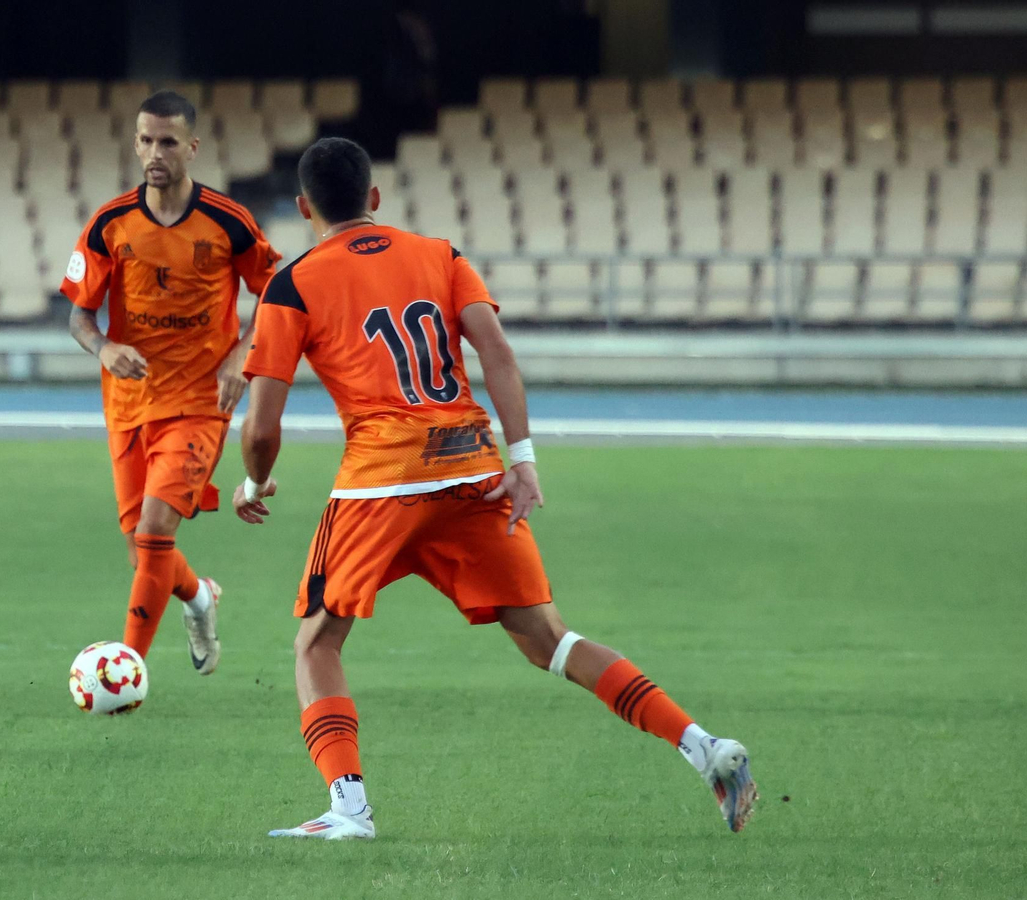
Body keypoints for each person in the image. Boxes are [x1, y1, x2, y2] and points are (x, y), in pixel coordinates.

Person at [233, 138, 756, 840]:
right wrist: (524, 459)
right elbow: (497, 353)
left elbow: (263, 423)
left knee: (317, 643)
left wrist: (255, 479)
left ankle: (349, 811)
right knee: (549, 638)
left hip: (382, 481)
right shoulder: (440, 255)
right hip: (472, 465)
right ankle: (705, 748)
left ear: (303, 208)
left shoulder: (292, 283)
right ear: (376, 198)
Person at [61, 91, 281, 675]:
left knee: (157, 528)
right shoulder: (110, 223)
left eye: (166, 141)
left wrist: (242, 353)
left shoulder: (229, 222)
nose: (154, 152)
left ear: (192, 147)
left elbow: (276, 292)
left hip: (200, 401)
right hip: (129, 404)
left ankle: (126, 665)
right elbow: (79, 317)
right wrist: (106, 348)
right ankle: (199, 597)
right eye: (144, 140)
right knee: (144, 553)